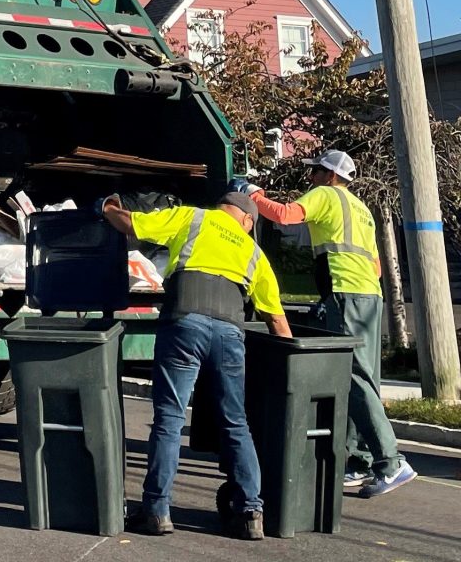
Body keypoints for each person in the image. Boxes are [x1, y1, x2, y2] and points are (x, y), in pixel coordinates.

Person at [102, 191, 292, 541]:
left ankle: (157, 511)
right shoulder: (253, 252)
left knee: (171, 418)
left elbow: (131, 224)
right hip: (229, 335)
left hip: (184, 322)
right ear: (247, 220)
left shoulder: (191, 217)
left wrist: (109, 208)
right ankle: (251, 512)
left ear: (222, 208)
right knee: (235, 422)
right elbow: (277, 322)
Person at [236, 149, 417, 497]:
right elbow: (377, 265)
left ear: (331, 176)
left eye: (317, 171)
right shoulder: (361, 209)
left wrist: (253, 194)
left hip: (344, 292)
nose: (312, 177)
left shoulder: (325, 195)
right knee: (363, 377)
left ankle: (391, 462)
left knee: (352, 376)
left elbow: (285, 216)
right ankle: (360, 461)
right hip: (368, 295)